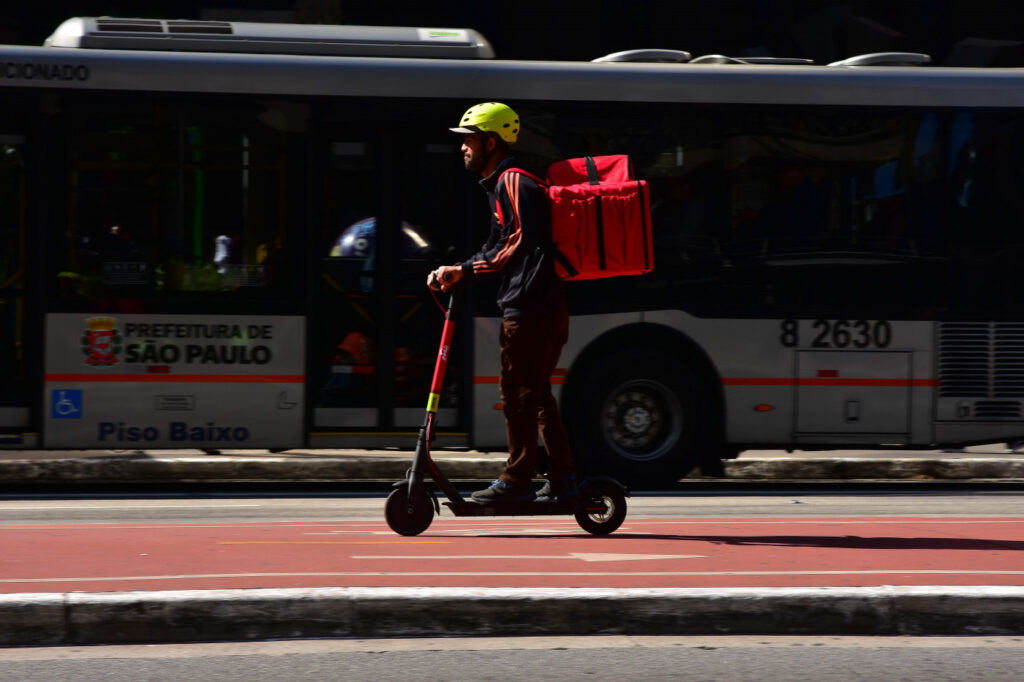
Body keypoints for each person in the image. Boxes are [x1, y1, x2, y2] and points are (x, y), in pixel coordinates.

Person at [428, 102, 576, 503]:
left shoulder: (514, 181)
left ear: (490, 142)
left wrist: (466, 272)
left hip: (531, 307)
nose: (462, 147)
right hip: (539, 305)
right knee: (535, 393)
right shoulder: (502, 184)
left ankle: (516, 481)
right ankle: (563, 480)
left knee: (517, 394)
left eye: (468, 140)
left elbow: (517, 242)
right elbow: (498, 245)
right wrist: (460, 268)